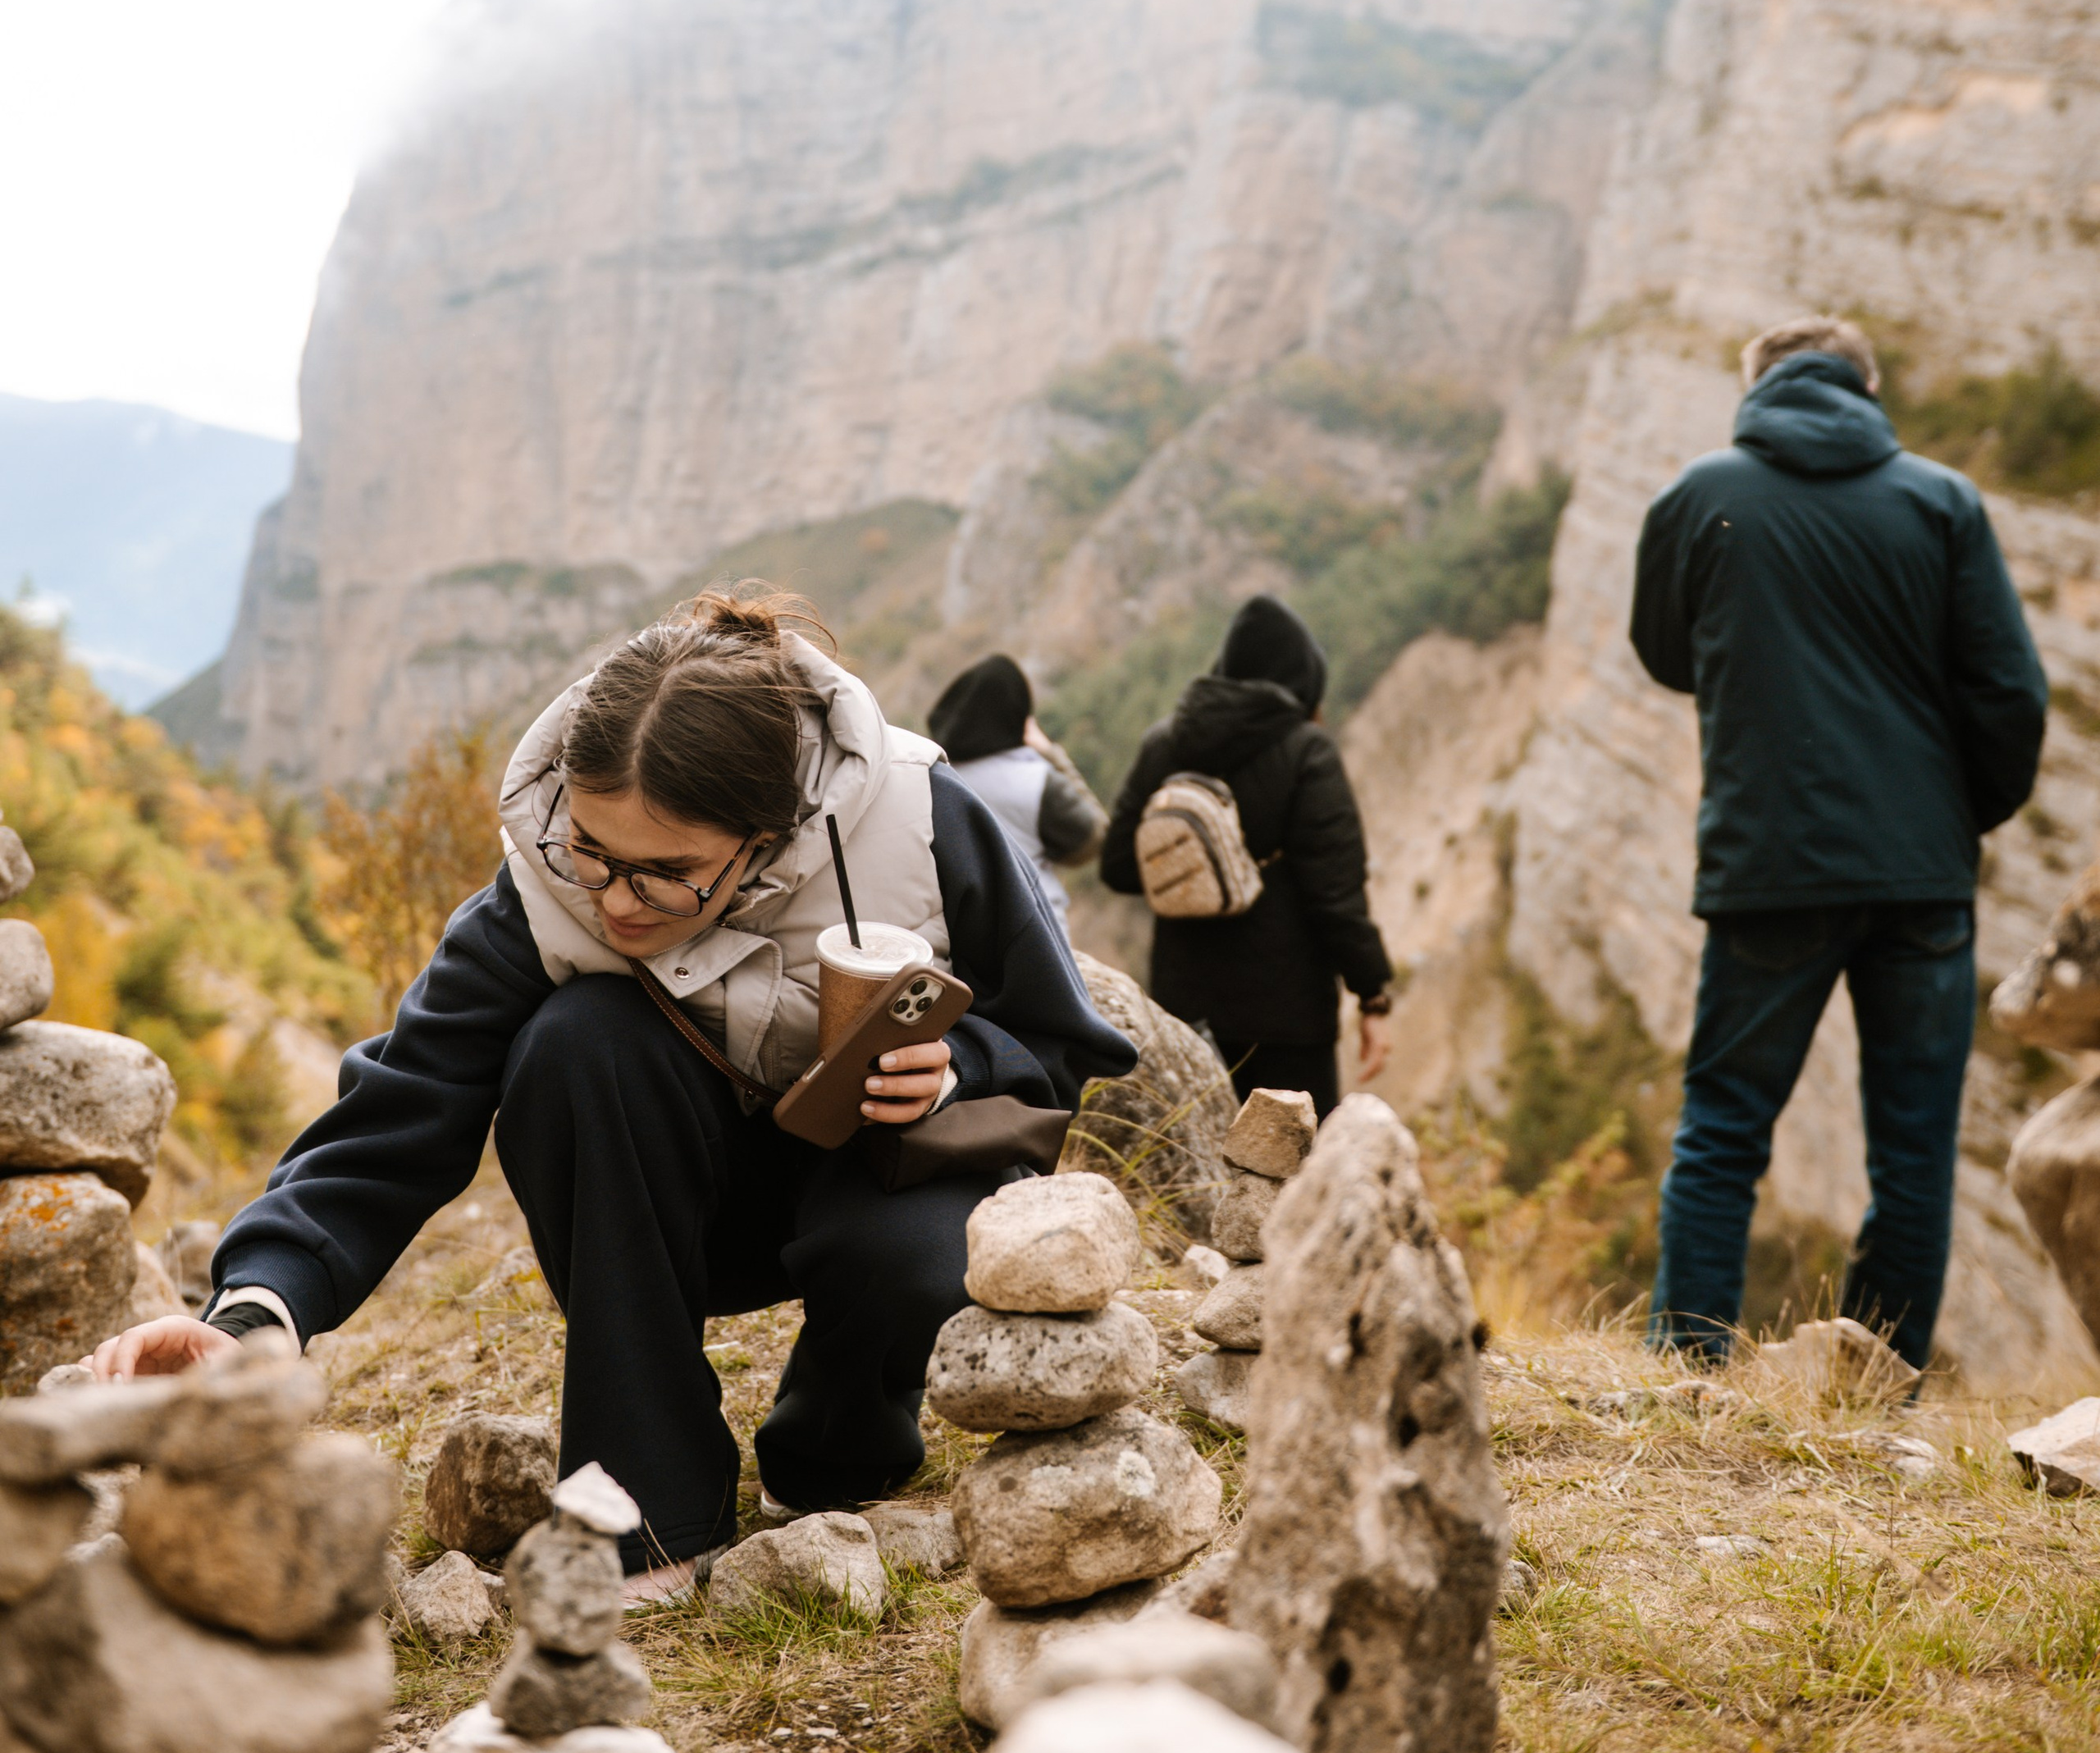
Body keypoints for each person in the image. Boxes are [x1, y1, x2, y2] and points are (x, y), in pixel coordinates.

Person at [93, 590, 1135, 1596]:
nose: (612, 899)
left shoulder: (921, 821)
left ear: (769, 835)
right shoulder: (544, 891)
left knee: (901, 1267)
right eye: (589, 850)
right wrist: (250, 1313)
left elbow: (1060, 1039)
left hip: (884, 1185)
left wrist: (959, 1065)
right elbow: (397, 1111)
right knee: (577, 1038)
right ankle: (653, 1510)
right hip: (674, 1208)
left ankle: (834, 1441)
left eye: (663, 873)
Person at [1632, 316, 2049, 1371]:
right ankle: (1873, 1386)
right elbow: (2009, 692)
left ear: (1755, 385)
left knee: (1723, 1125)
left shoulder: (1699, 495)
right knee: (1911, 1150)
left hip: (1768, 861)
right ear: (1865, 386)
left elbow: (1664, 651)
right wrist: (1956, 823)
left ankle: (1688, 1370)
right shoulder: (1940, 499)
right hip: (1921, 873)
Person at [1099, 592, 1393, 1117]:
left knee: (1196, 1181)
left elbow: (1118, 866)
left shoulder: (1165, 743)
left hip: (1185, 1012)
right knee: (1289, 1178)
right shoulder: (1308, 751)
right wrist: (1372, 995)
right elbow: (1336, 893)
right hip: (1290, 1014)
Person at [926, 651, 1107, 942]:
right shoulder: (1037, 781)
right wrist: (1052, 754)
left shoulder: (934, 775)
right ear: (1018, 716)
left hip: (959, 937)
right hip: (1041, 934)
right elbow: (1092, 840)